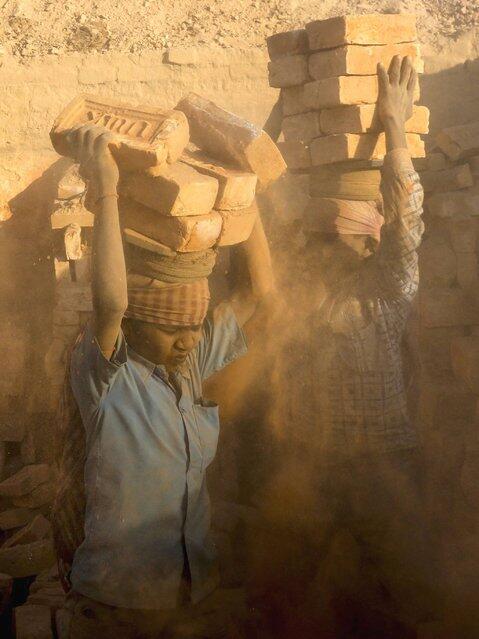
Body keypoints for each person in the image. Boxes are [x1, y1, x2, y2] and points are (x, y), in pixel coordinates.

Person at [60, 124, 274, 639]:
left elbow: (258, 294)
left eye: (195, 328)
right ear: (135, 326)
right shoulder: (107, 378)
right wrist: (107, 189)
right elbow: (111, 301)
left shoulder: (192, 364)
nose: (187, 341)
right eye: (172, 329)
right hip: (115, 605)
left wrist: (246, 197)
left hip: (189, 595)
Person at [256, 56, 438, 638]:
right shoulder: (300, 288)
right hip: (316, 467)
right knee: (293, 595)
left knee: (397, 598)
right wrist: (287, 109)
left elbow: (407, 219)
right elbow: (262, 193)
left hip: (384, 468)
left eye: (342, 234)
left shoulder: (388, 289)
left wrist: (394, 127)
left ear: (368, 241)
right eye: (322, 234)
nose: (323, 245)